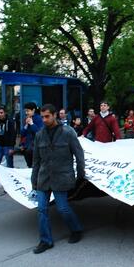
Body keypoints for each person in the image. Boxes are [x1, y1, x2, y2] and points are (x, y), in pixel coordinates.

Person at [31, 104, 85, 254]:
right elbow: (36, 160)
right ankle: (45, 241)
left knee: (62, 208)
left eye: (47, 116)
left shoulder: (68, 132)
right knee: (41, 209)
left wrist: (81, 175)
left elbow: (79, 155)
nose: (44, 119)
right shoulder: (39, 134)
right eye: (42, 117)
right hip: (43, 178)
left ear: (55, 115)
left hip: (61, 177)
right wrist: (33, 180)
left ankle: (76, 229)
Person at [20, 102, 43, 168]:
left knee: (36, 167)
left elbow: (39, 133)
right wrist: (26, 125)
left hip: (36, 147)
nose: (26, 113)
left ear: (33, 110)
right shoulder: (26, 119)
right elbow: (22, 134)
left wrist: (32, 124)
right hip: (27, 148)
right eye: (25, 111)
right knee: (29, 166)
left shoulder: (39, 118)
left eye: (28, 111)